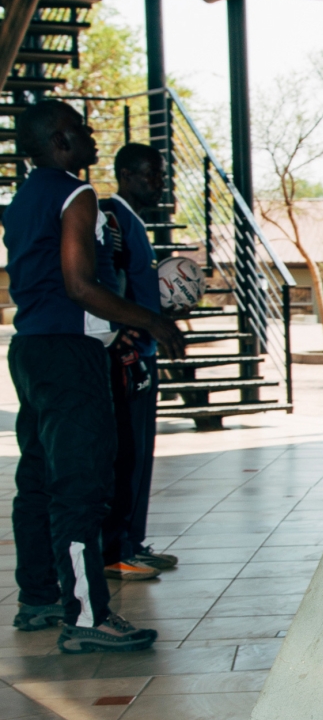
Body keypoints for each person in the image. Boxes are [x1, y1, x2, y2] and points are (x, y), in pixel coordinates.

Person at [2, 102, 186, 653]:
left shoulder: (20, 200)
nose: (90, 135)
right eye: (81, 130)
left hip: (32, 350)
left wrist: (115, 321)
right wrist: (150, 318)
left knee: (37, 479)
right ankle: (87, 616)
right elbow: (80, 284)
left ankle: (38, 596)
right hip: (71, 358)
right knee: (81, 486)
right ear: (60, 143)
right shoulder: (75, 194)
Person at [101, 144, 179, 583]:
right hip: (128, 354)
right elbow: (102, 277)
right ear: (126, 174)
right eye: (151, 175)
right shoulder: (111, 214)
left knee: (141, 453)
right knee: (125, 454)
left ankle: (133, 542)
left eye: (161, 175)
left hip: (146, 350)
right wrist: (121, 329)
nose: (159, 183)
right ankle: (116, 550)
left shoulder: (134, 220)